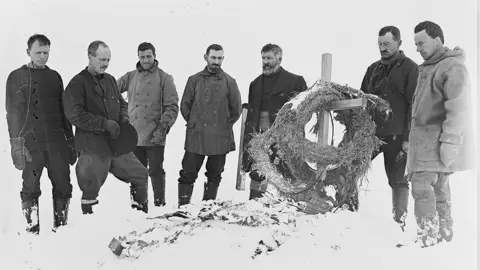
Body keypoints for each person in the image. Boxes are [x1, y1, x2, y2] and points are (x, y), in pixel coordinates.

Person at [63, 40, 149, 215]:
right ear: (90, 57)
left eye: (108, 60)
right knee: (90, 187)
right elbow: (75, 114)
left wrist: (124, 119)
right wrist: (103, 124)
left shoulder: (110, 80)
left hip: (116, 144)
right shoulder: (77, 83)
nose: (106, 64)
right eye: (102, 60)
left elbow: (122, 104)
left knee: (140, 173)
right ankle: (90, 227)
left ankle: (139, 217)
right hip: (92, 147)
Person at [408, 21, 473, 247]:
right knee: (438, 189)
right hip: (424, 145)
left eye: (421, 43)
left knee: (423, 189)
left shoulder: (451, 67)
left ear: (437, 40)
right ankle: (444, 237)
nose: (418, 48)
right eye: (415, 44)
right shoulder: (429, 67)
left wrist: (450, 142)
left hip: (436, 144)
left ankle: (427, 239)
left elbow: (459, 109)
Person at [5, 34, 76, 234]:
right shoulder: (16, 76)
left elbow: (63, 112)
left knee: (63, 184)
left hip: (56, 142)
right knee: (30, 186)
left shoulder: (54, 77)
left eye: (46, 53)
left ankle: (60, 230)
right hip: (31, 143)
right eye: (38, 52)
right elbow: (13, 113)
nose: (43, 56)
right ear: (28, 52)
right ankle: (32, 232)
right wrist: (16, 144)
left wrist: (70, 141)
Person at [360, 26, 418, 230]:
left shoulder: (411, 68)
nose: (382, 48)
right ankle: (346, 216)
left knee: (398, 180)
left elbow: (414, 105)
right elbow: (363, 101)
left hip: (397, 134)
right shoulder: (373, 69)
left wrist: (408, 138)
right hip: (372, 135)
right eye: (380, 44)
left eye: (387, 44)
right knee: (351, 168)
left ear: (399, 43)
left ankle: (399, 224)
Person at [241, 43, 308, 200]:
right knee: (258, 173)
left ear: (279, 58)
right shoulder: (255, 84)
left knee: (288, 173)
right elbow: (252, 116)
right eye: (263, 58)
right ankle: (255, 206)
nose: (265, 61)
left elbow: (304, 113)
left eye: (269, 58)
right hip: (260, 138)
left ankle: (290, 207)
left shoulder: (295, 81)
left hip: (284, 139)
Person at [178, 44, 242, 206]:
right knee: (188, 173)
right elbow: (185, 106)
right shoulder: (194, 80)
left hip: (220, 138)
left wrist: (222, 126)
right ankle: (183, 207)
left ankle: (207, 207)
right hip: (196, 136)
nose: (216, 61)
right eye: (213, 57)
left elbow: (236, 109)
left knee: (214, 174)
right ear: (206, 57)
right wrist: (195, 123)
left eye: (220, 58)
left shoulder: (230, 82)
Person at [117, 42, 179, 207]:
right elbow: (111, 90)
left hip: (155, 134)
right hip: (134, 133)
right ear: (138, 57)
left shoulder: (164, 78)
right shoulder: (130, 76)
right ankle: (138, 205)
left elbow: (172, 106)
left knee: (156, 170)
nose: (146, 60)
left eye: (149, 56)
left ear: (154, 56)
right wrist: (123, 111)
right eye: (142, 56)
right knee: (136, 171)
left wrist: (162, 128)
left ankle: (159, 205)